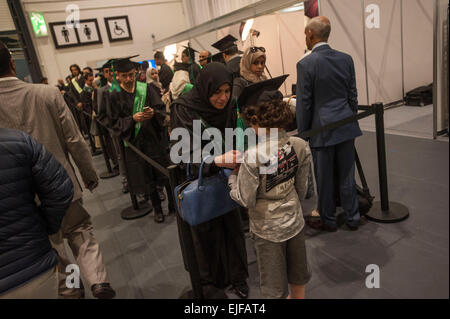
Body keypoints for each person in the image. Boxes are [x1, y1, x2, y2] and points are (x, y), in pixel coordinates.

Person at [0, 41, 116, 299]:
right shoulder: (47, 94)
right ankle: (98, 280)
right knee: (80, 231)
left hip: (26, 197)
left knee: (55, 245)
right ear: (11, 64)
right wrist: (89, 174)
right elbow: (74, 139)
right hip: (63, 183)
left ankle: (72, 289)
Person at [228, 78, 313, 299]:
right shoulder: (300, 145)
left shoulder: (252, 157)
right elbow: (303, 190)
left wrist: (232, 179)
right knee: (298, 272)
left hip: (267, 229)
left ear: (254, 120)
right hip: (294, 221)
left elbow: (246, 199)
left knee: (274, 287)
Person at [170, 62, 249, 299]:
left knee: (233, 228)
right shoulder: (184, 108)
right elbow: (181, 153)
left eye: (227, 91)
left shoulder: (228, 106)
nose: (223, 97)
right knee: (206, 234)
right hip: (201, 178)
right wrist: (215, 159)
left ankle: (238, 277)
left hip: (227, 176)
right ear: (205, 88)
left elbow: (234, 135)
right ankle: (210, 283)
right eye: (217, 92)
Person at [296, 16, 362, 232]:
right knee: (346, 175)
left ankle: (329, 220)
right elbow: (352, 94)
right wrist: (349, 117)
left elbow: (304, 102)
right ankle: (353, 217)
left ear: (310, 34)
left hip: (322, 131)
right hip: (346, 125)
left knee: (324, 179)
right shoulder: (346, 58)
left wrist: (304, 133)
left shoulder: (306, 64)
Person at [0, 128, 74, 299]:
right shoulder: (17, 140)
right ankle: (88, 283)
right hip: (35, 263)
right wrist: (44, 227)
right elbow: (60, 190)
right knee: (81, 233)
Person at [109, 56, 175, 223]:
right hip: (136, 144)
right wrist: (132, 119)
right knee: (148, 178)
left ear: (136, 72)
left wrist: (153, 113)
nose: (129, 79)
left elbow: (160, 108)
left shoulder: (146, 88)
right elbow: (114, 122)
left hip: (154, 139)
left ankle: (174, 205)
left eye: (131, 75)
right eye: (124, 76)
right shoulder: (115, 96)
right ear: (118, 76)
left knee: (164, 172)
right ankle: (157, 209)